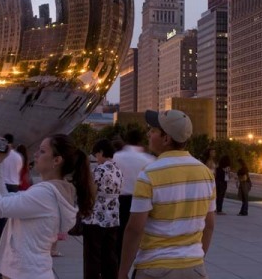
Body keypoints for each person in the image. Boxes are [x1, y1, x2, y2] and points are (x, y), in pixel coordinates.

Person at [0, 134, 95, 279]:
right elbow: (5, 200)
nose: (36, 154)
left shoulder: (46, 194)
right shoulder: (49, 191)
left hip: (25, 273)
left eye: (42, 151)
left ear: (57, 160)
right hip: (30, 271)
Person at [118, 109, 215, 279]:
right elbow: (209, 225)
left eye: (153, 130)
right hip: (194, 268)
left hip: (155, 268)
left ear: (166, 138)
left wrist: (122, 271)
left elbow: (135, 229)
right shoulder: (205, 173)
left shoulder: (149, 174)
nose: (148, 134)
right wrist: (196, 259)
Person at [112, 127, 155, 263]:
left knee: (120, 235)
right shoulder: (149, 159)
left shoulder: (117, 156)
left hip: (121, 199)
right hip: (141, 199)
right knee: (140, 233)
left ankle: (119, 265)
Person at [83, 139, 123, 279]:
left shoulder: (99, 170)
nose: (96, 159)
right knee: (110, 256)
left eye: (96, 155)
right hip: (113, 217)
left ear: (101, 152)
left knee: (93, 257)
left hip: (96, 217)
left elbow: (91, 191)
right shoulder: (118, 170)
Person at [0, 134, 23, 245]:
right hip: (14, 184)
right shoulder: (18, 157)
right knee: (12, 213)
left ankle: (2, 237)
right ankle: (13, 236)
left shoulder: (1, 155)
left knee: (1, 214)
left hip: (3, 184)